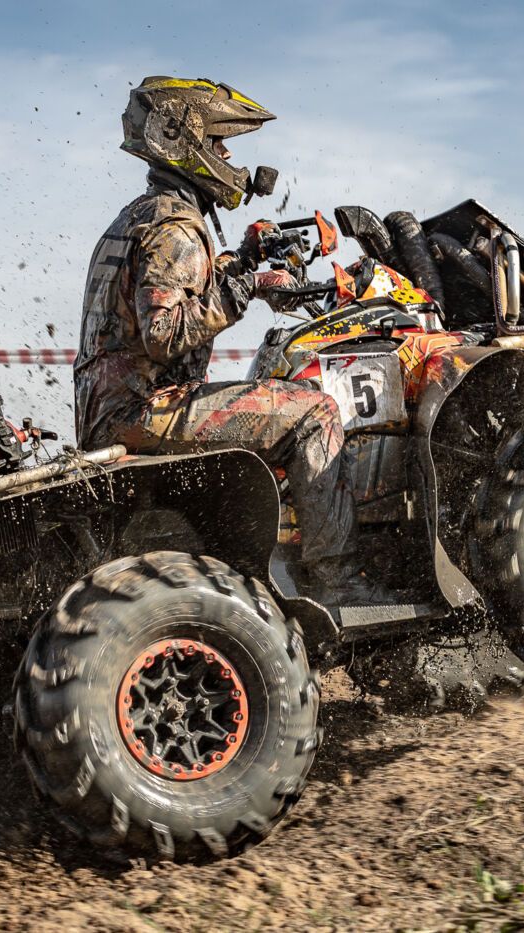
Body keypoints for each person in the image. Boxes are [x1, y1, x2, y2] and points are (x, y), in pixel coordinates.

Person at [74, 76, 386, 603]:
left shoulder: (142, 214)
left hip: (112, 406)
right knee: (315, 413)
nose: (228, 157)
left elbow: (174, 294)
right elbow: (163, 332)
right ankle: (338, 584)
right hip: (145, 409)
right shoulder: (174, 227)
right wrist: (250, 286)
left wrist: (242, 262)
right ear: (183, 140)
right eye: (219, 143)